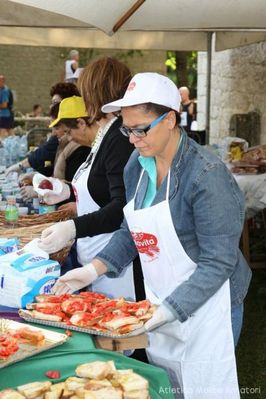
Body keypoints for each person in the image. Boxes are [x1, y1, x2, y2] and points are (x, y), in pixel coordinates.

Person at [51, 73, 252, 399]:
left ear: (170, 119)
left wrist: (169, 310)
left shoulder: (206, 176)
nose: (132, 138)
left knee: (205, 388)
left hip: (211, 304)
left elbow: (219, 262)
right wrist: (94, 269)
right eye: (125, 128)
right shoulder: (137, 164)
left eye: (140, 129)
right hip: (162, 298)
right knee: (168, 385)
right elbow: (133, 229)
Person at [38, 58, 137, 301]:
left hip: (116, 268)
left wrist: (72, 227)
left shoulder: (118, 138)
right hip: (94, 260)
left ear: (94, 93)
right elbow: (99, 187)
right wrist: (65, 191)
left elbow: (121, 207)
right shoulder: (107, 134)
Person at [19, 100, 91, 203]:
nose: (53, 133)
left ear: (81, 124)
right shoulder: (67, 145)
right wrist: (38, 177)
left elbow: (78, 188)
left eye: (67, 131)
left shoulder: (82, 149)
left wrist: (41, 191)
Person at [5, 82, 80, 176]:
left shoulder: (80, 147)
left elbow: (47, 151)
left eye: (55, 103)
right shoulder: (66, 141)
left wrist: (21, 167)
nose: (51, 106)